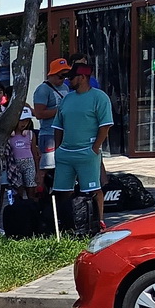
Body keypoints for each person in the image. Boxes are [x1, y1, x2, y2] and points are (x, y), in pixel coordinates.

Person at [52, 59, 115, 232]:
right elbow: (58, 125)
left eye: (72, 78)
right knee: (62, 190)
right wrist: (58, 149)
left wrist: (95, 147)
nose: (68, 81)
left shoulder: (99, 97)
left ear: (83, 77)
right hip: (65, 152)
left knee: (93, 189)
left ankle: (99, 221)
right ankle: (67, 223)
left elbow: (105, 125)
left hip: (87, 152)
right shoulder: (67, 99)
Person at [30, 57, 71, 186]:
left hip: (65, 133)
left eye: (66, 76)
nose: (63, 79)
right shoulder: (43, 90)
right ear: (52, 74)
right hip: (49, 134)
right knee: (46, 168)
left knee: (63, 166)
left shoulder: (65, 87)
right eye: (61, 75)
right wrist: (60, 110)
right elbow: (39, 113)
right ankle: (42, 196)